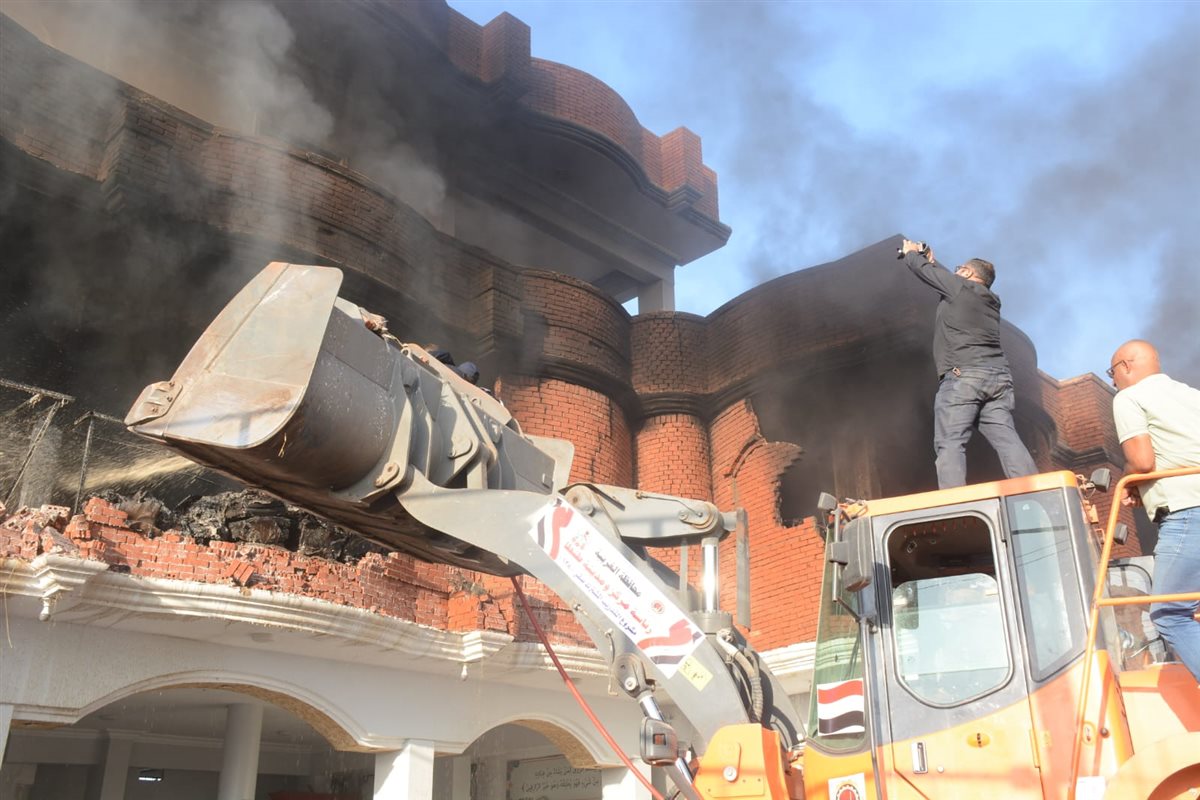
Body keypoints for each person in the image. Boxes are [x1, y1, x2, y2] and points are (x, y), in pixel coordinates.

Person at [899, 239, 1038, 489]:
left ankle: (954, 501)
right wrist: (932, 262)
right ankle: (1034, 489)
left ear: (967, 272)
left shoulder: (960, 288)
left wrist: (911, 254)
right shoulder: (989, 300)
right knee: (1007, 439)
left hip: (964, 376)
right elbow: (944, 280)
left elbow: (923, 272)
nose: (955, 272)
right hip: (998, 379)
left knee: (950, 441)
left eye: (958, 269)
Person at [1108, 339, 1200, 682]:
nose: (1112, 381)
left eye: (1112, 372)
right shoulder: (1192, 395)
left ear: (1126, 366)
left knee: (1169, 613)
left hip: (1187, 511)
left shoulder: (1129, 397)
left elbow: (1142, 460)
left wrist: (1128, 481)